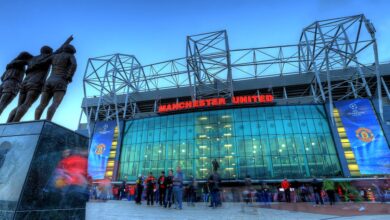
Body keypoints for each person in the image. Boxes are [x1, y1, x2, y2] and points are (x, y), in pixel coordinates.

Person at [0, 52, 33, 116]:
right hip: (13, 84)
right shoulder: (21, 64)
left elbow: (2, 77)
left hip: (4, 83)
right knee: (2, 104)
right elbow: (27, 62)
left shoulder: (10, 65)